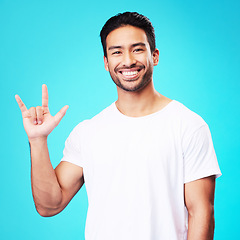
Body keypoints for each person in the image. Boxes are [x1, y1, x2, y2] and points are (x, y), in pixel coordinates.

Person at [16, 12, 221, 240]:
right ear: (106, 62)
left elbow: (201, 212)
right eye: (116, 52)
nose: (128, 60)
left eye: (138, 49)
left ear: (155, 56)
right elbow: (49, 206)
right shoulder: (88, 132)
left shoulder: (189, 126)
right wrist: (37, 140)